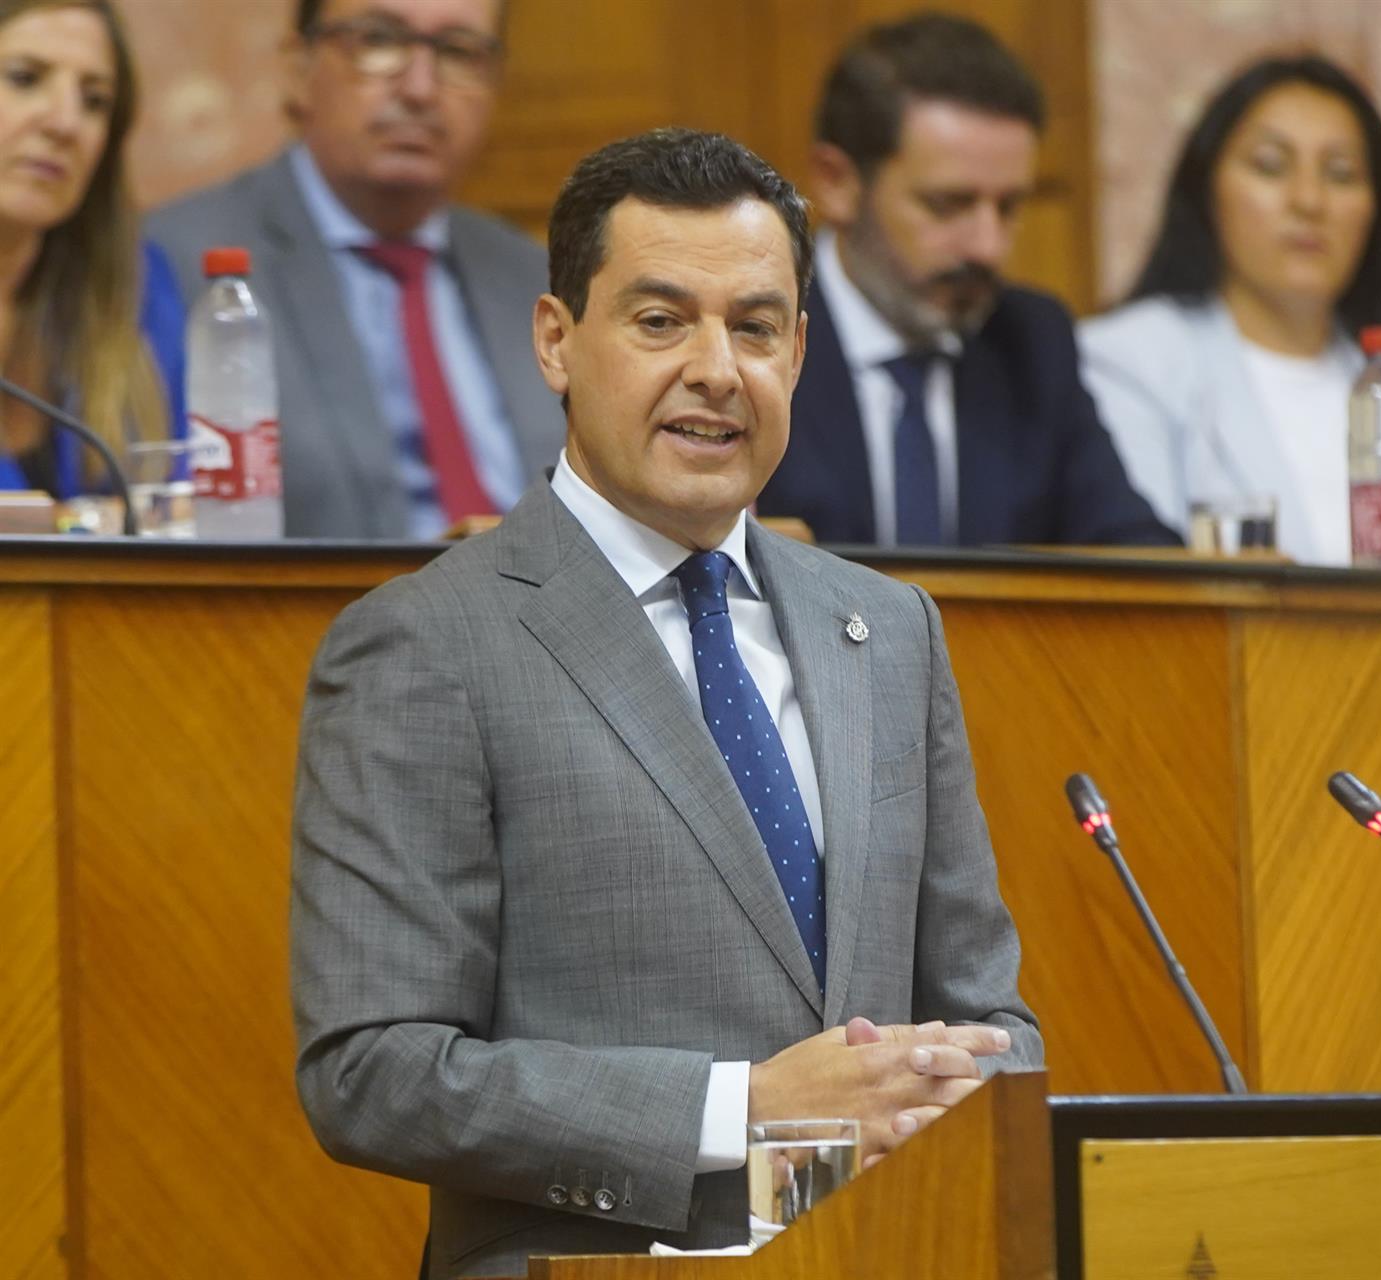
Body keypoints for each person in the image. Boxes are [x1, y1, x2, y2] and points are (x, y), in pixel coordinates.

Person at [290, 128, 1043, 1278]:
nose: (715, 368)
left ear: (797, 349)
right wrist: (742, 1106)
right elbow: (372, 1073)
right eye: (659, 321)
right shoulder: (426, 642)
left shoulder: (890, 630)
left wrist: (920, 1093)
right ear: (556, 341)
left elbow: (996, 1023)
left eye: (752, 325)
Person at [1080, 55, 1381, 569]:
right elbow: (1139, 574)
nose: (1309, 200)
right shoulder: (1135, 359)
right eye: (1270, 167)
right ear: (1207, 191)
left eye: (1341, 175)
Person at [754, 12, 1175, 548]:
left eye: (1009, 206)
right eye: (949, 205)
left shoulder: (1029, 341)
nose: (988, 246)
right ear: (838, 184)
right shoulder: (754, 332)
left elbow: (1132, 552)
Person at [145, 0, 561, 539]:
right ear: (298, 68)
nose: (419, 89)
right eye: (379, 41)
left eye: (458, 51)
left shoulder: (536, 275)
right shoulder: (175, 262)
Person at [0, 0, 184, 499]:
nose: (65, 124)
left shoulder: (139, 288)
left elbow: (190, 508)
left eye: (94, 101)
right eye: (24, 78)